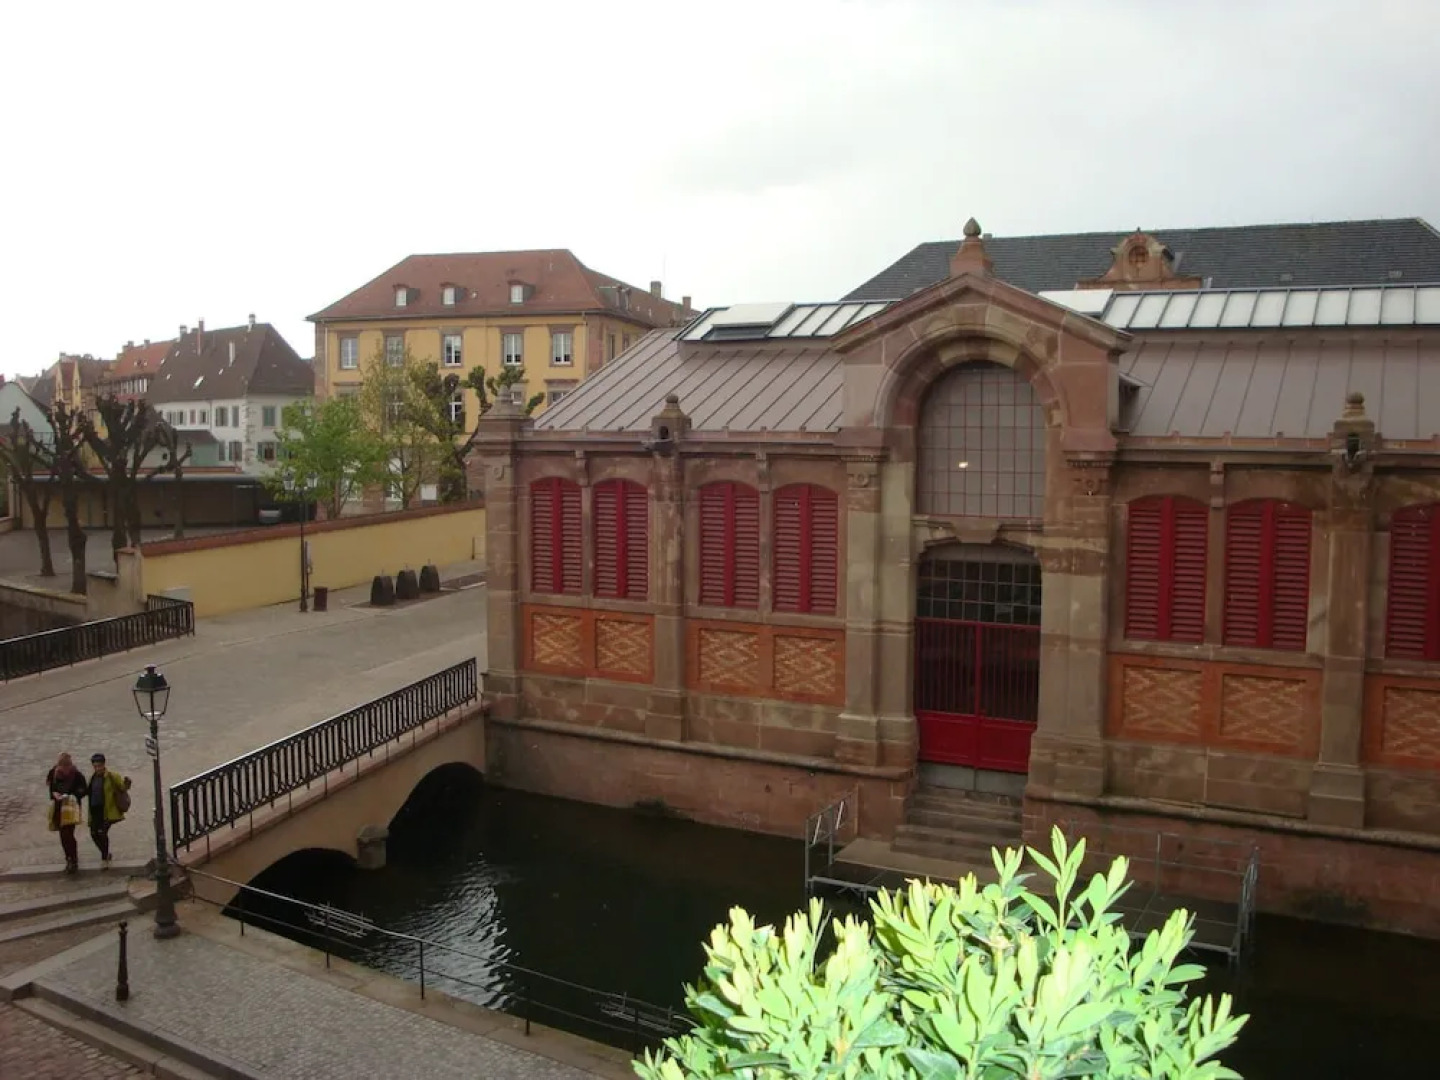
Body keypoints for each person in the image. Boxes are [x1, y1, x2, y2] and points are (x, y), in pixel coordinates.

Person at [45, 753, 88, 872]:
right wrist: (54, 794)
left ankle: (73, 859)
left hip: (71, 807)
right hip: (59, 807)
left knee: (68, 833)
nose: (63, 769)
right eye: (61, 767)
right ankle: (68, 858)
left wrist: (73, 795)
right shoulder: (53, 773)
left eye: (66, 766)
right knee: (63, 835)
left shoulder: (77, 775)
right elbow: (51, 788)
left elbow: (84, 790)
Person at [86, 753, 131, 867]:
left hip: (107, 811)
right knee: (93, 833)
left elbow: (122, 788)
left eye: (99, 766)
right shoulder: (92, 778)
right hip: (95, 810)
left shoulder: (112, 776)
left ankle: (104, 856)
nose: (97, 768)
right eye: (95, 766)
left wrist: (126, 783)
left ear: (104, 765)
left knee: (102, 832)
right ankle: (105, 853)